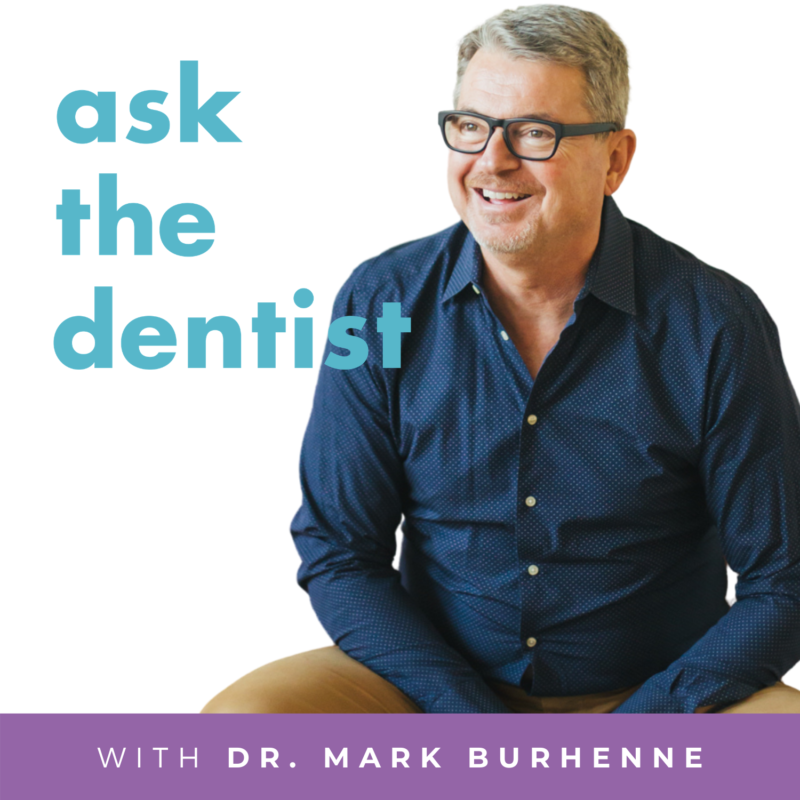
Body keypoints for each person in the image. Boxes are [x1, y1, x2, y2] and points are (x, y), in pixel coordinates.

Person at [202, 4, 800, 714]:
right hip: (430, 686)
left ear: (615, 158)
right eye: (471, 127)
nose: (492, 161)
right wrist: (468, 721)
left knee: (784, 749)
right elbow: (339, 551)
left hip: (657, 692)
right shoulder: (378, 302)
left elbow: (784, 580)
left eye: (535, 134)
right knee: (239, 726)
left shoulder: (716, 325)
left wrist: (646, 730)